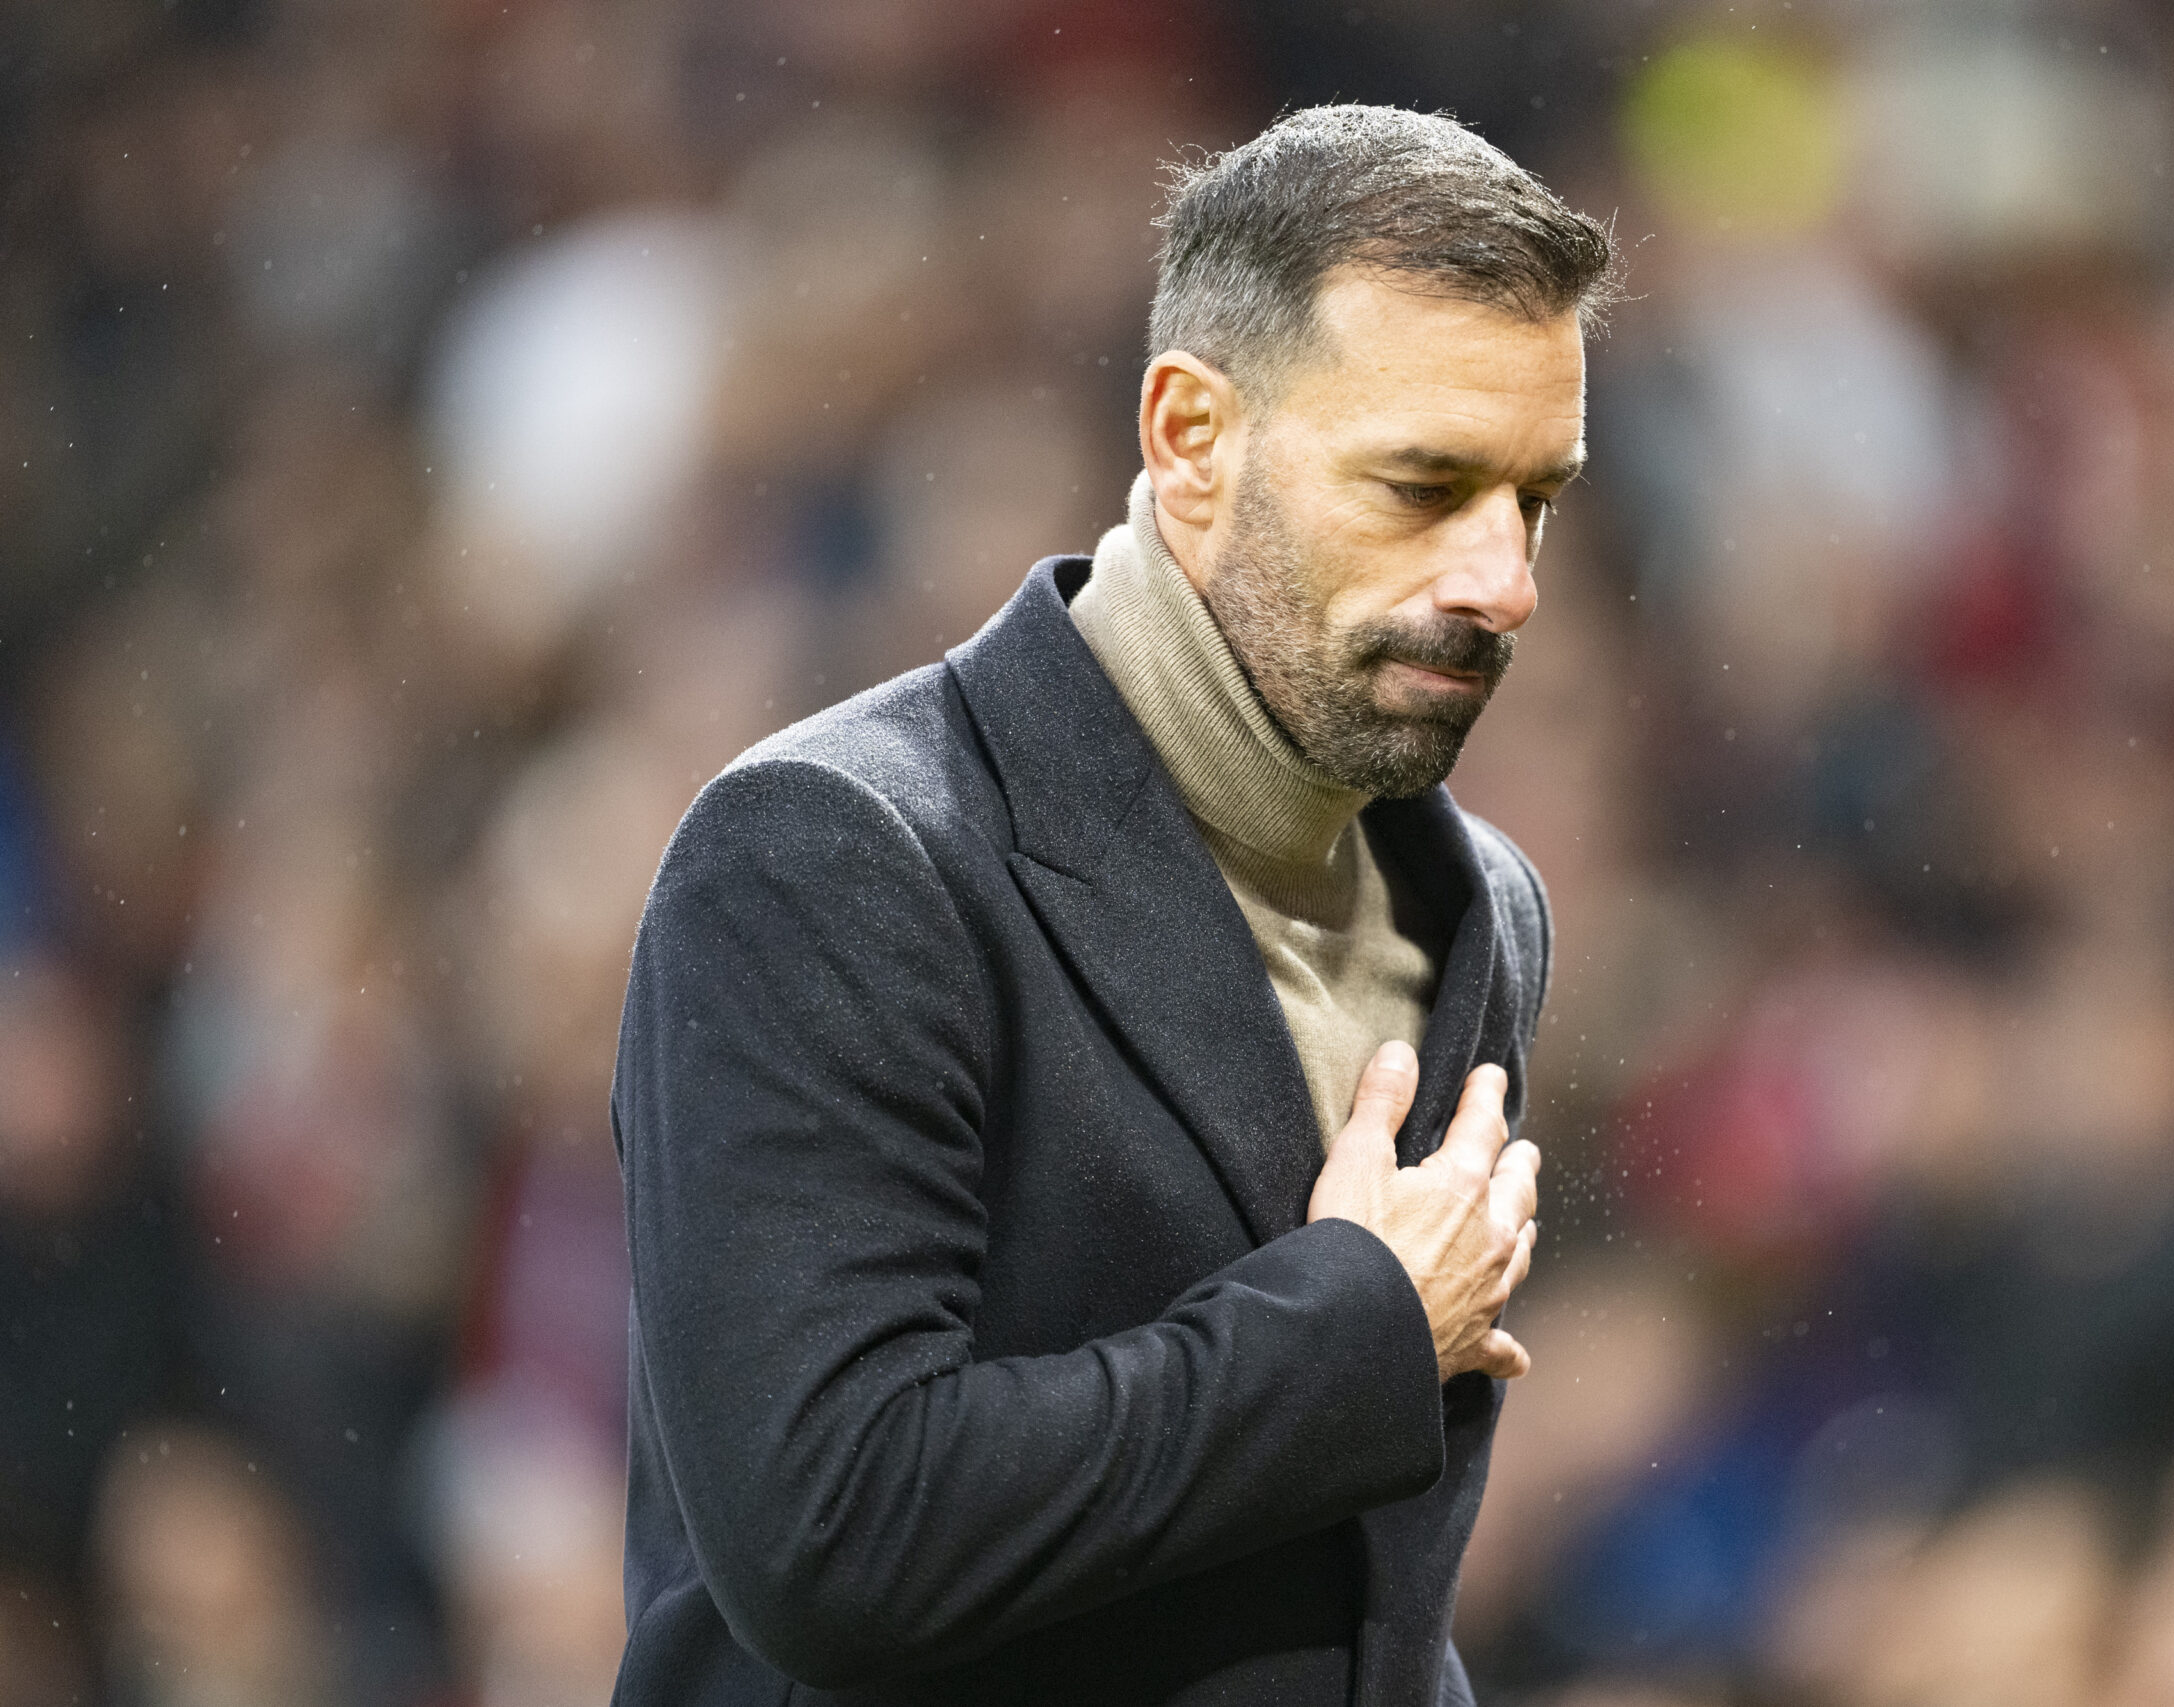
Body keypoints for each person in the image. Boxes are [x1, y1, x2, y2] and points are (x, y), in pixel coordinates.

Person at [611, 105, 1617, 1706]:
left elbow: (1355, 1612)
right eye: (1424, 486)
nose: (1505, 582)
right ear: (1190, 438)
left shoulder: (1482, 906)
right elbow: (832, 1538)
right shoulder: (832, 852)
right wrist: (1352, 1327)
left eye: (1534, 499)